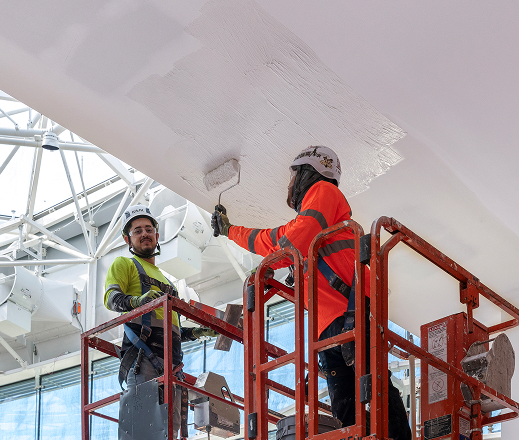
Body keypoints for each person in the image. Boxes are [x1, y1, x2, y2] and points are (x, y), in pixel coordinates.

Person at [211, 146, 410, 439]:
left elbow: (290, 240)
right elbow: (282, 240)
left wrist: (235, 233)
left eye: (293, 175)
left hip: (350, 312)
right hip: (329, 324)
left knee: (375, 386)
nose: (289, 183)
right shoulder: (312, 224)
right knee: (345, 403)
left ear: (308, 172)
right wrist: (238, 236)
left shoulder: (323, 191)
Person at [105, 204, 216, 439]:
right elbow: (111, 299)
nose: (144, 233)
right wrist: (138, 301)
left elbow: (171, 327)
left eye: (148, 229)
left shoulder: (169, 283)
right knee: (145, 430)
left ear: (156, 235)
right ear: (129, 238)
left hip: (172, 364)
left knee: (169, 433)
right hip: (144, 359)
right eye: (137, 231)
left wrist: (195, 332)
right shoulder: (124, 265)